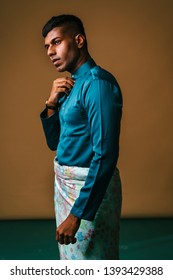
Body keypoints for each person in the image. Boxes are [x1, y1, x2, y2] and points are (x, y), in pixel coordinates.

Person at [40, 14, 123, 260]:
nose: (50, 52)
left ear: (78, 40)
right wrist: (51, 103)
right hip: (65, 188)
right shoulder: (71, 86)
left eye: (56, 42)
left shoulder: (97, 85)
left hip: (87, 194)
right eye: (46, 47)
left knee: (94, 266)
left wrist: (77, 215)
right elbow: (54, 143)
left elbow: (106, 154)